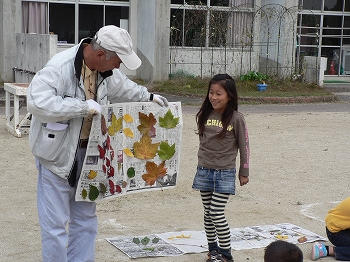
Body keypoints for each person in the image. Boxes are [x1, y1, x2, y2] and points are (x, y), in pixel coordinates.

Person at [27, 25, 168, 261]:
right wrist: (82, 107)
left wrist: (149, 96)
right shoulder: (59, 67)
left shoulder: (106, 71)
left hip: (89, 154)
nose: (119, 66)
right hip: (57, 156)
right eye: (118, 61)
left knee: (86, 222)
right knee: (55, 228)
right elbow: (37, 103)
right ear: (101, 54)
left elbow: (125, 88)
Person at [192, 73, 250, 262]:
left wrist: (244, 171)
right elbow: (204, 142)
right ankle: (213, 251)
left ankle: (226, 254)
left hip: (225, 172)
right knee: (208, 214)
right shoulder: (204, 114)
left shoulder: (236, 118)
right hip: (204, 170)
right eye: (211, 92)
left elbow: (244, 146)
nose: (214, 97)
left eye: (219, 94)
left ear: (230, 96)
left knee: (216, 212)